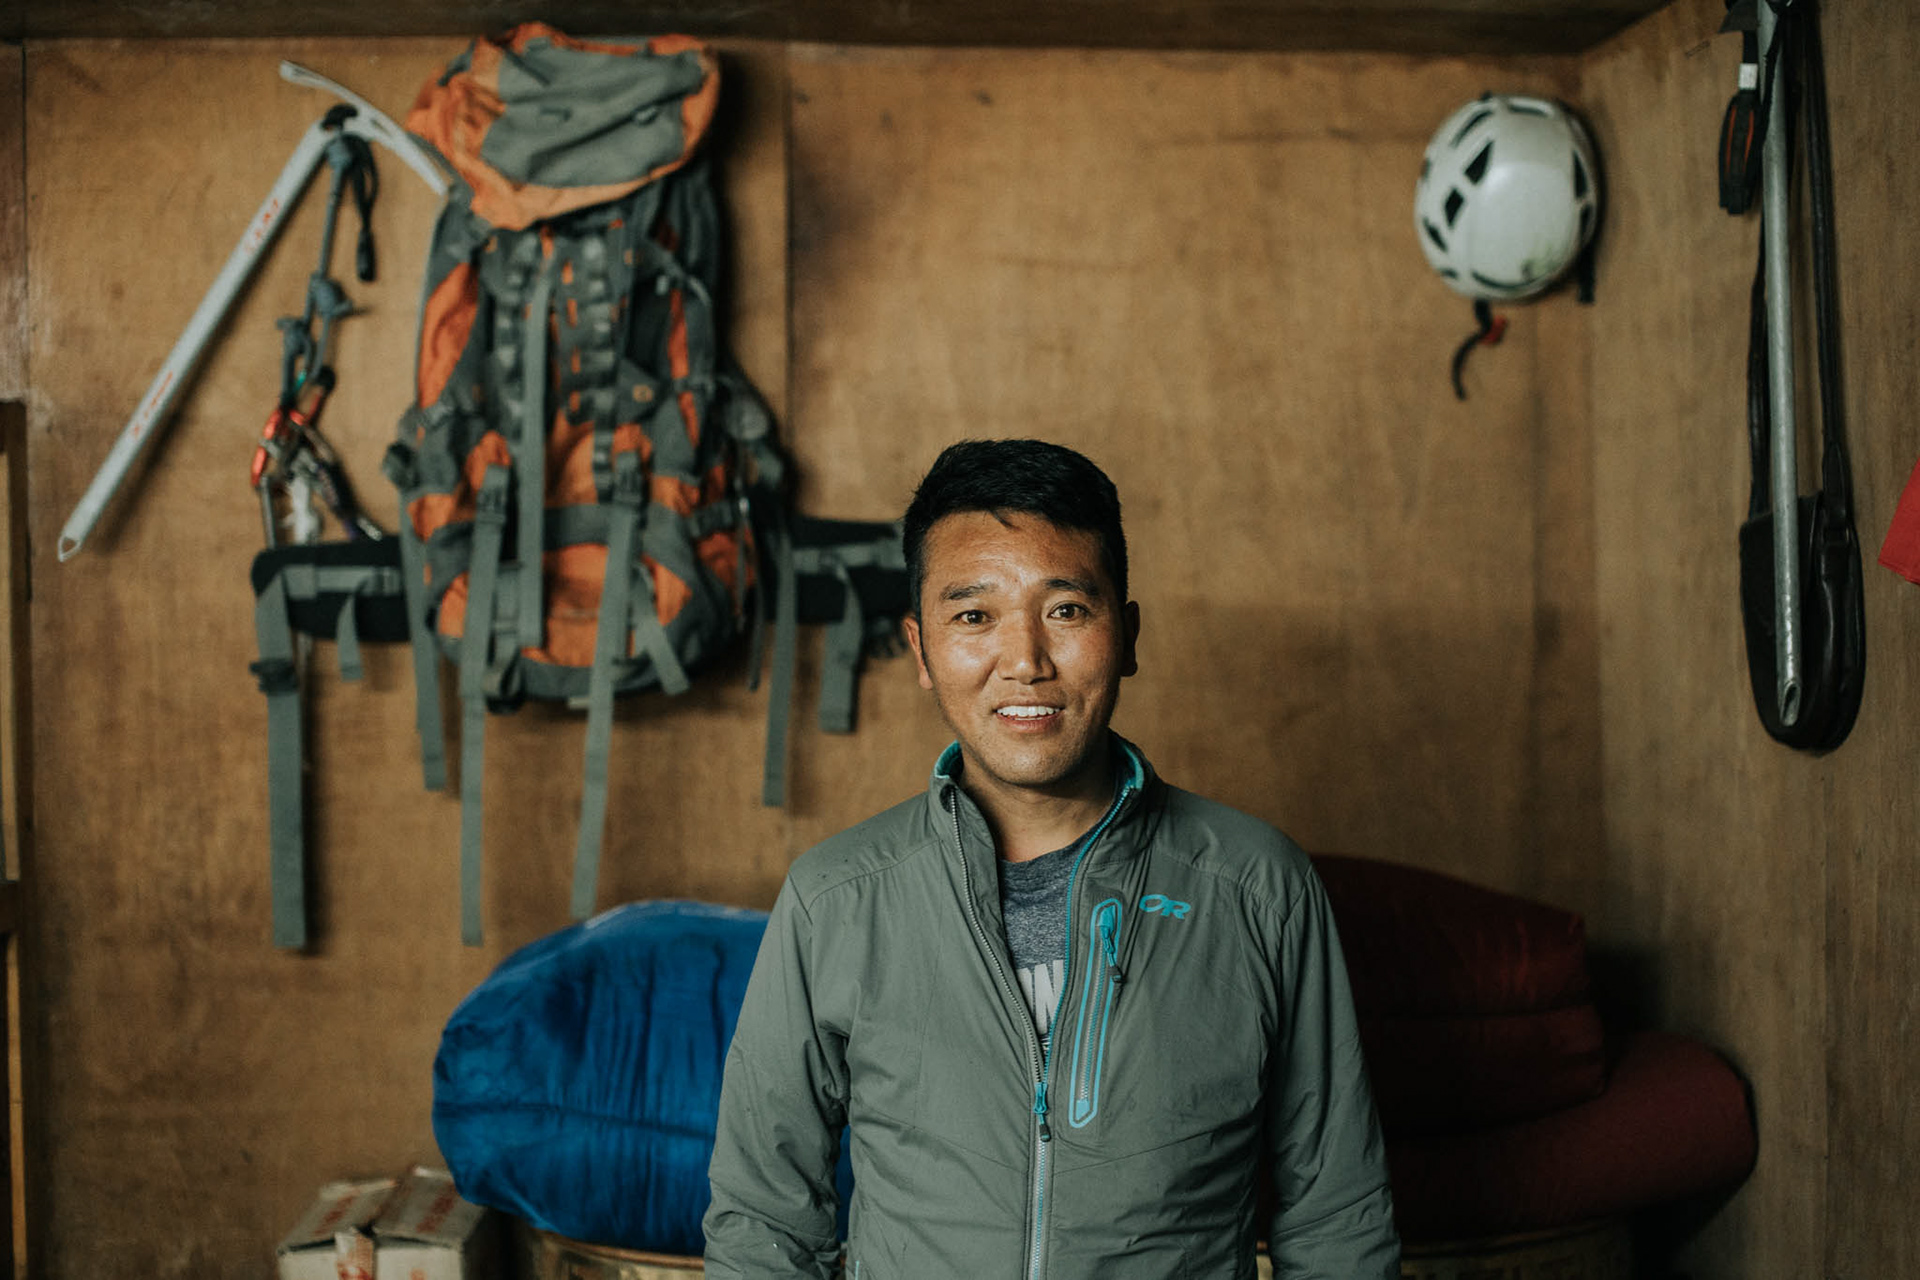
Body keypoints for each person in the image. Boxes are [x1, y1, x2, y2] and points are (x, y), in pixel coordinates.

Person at [704, 439, 1399, 1278]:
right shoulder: (837, 900)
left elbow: (1337, 1218)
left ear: (1127, 635)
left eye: (1066, 610)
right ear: (920, 650)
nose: (1026, 662)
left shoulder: (1257, 889)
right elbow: (763, 1222)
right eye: (974, 616)